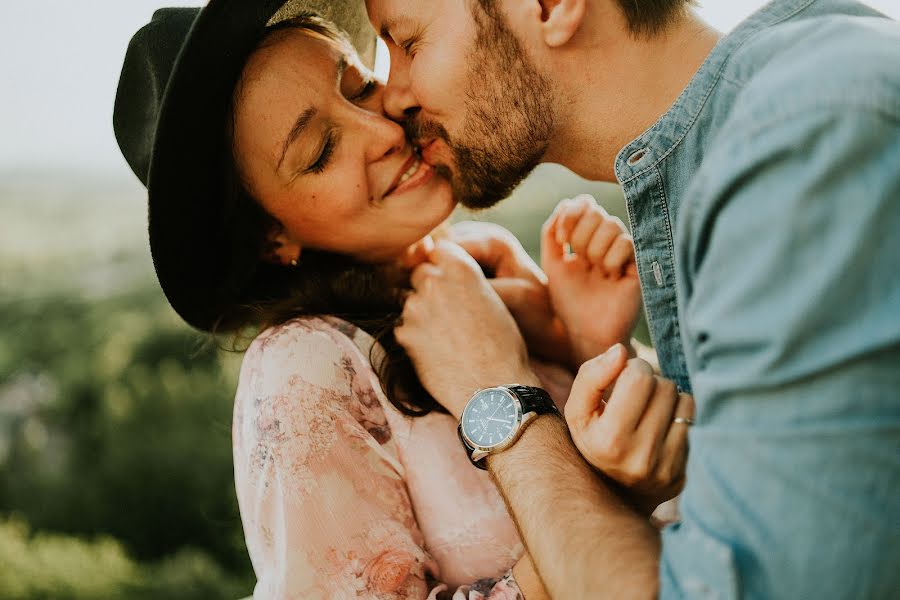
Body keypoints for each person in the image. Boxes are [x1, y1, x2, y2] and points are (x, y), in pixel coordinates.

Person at [113, 1, 683, 598]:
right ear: (270, 237)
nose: (386, 130)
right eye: (319, 151)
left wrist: (592, 345)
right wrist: (606, 490)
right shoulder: (306, 369)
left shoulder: (482, 274)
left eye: (359, 87)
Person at [367, 0, 900, 597]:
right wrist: (593, 349)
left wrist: (494, 390)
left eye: (409, 45)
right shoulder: (782, 109)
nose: (392, 96)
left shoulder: (804, 147)